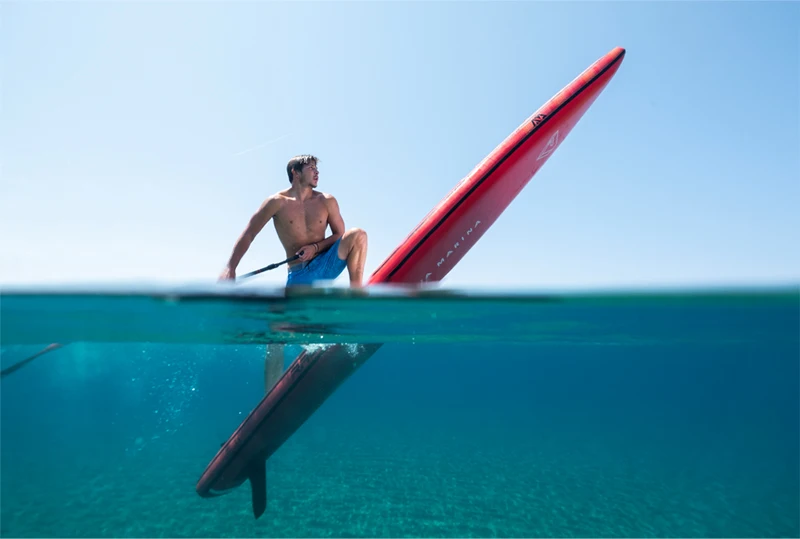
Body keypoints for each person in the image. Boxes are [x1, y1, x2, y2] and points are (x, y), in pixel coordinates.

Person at [218, 154, 368, 394]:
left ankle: (356, 298)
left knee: (357, 234)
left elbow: (340, 236)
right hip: (299, 275)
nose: (317, 173)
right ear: (295, 173)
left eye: (317, 169)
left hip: (326, 263)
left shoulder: (327, 200)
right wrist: (231, 267)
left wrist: (316, 248)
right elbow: (249, 234)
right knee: (276, 330)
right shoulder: (276, 202)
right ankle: (270, 399)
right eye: (311, 168)